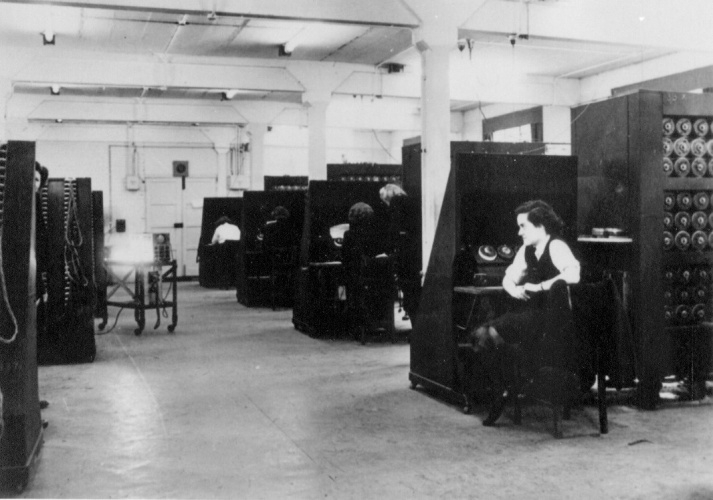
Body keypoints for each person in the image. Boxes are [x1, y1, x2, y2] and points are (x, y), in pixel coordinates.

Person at [471, 200, 581, 426]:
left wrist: (539, 287)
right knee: (481, 336)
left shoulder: (557, 246)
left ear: (540, 227)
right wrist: (514, 289)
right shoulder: (526, 249)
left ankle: (506, 389)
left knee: (488, 335)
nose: (519, 232)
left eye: (523, 226)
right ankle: (506, 386)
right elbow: (509, 275)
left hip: (552, 318)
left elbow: (573, 275)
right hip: (530, 314)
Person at [379, 183, 421, 323]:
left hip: (405, 255)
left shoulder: (396, 203)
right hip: (417, 253)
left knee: (408, 294)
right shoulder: (411, 202)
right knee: (415, 293)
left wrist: (388, 250)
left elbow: (394, 231)